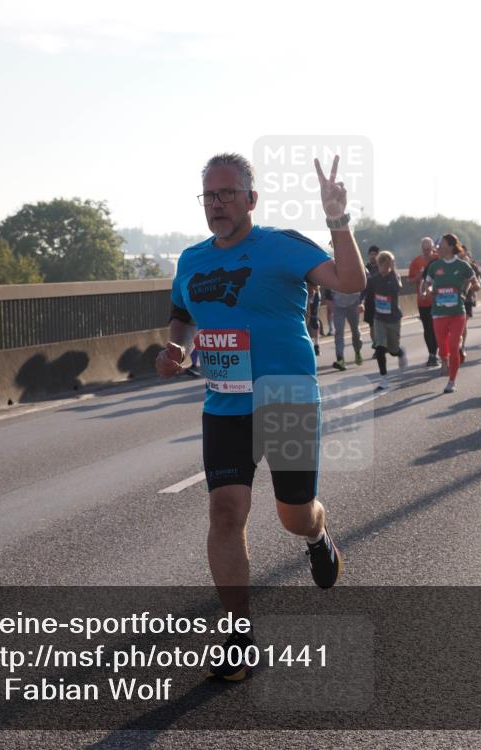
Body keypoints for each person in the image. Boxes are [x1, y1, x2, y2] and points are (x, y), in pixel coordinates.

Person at [155, 153, 366, 681]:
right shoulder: (191, 260)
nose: (217, 204)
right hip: (225, 404)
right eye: (209, 195)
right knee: (225, 513)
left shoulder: (282, 246)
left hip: (288, 399)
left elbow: (348, 281)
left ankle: (318, 535)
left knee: (294, 515)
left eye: (227, 193)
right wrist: (176, 349)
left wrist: (337, 219)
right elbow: (181, 314)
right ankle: (239, 636)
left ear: (251, 199)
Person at [423, 234, 476, 393]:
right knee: (442, 347)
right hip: (439, 313)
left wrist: (465, 291)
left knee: (453, 346)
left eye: (442, 243)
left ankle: (452, 381)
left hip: (457, 312)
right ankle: (444, 359)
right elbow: (427, 284)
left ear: (451, 246)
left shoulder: (463, 265)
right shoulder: (434, 266)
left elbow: (473, 282)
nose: (438, 246)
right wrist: (428, 291)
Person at [365, 250, 407, 390]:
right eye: (381, 264)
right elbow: (366, 294)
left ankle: (400, 353)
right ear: (378, 264)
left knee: (393, 350)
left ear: (390, 265)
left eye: (387, 264)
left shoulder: (395, 277)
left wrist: (392, 270)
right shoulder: (373, 280)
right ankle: (383, 378)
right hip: (379, 318)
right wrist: (360, 303)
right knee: (380, 347)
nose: (384, 267)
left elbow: (396, 288)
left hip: (393, 318)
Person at [408, 237, 440, 366]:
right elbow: (409, 281)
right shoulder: (416, 262)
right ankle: (432, 354)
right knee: (427, 329)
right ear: (421, 248)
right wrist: (417, 277)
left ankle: (438, 352)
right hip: (423, 301)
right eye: (424, 249)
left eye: (429, 248)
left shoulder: (438, 259)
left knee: (436, 328)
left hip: (438, 301)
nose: (426, 251)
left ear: (433, 248)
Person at [330, 285, 364, 370]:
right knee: (339, 332)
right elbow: (328, 284)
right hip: (338, 305)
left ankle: (357, 350)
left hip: (354, 303)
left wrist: (361, 302)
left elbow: (363, 284)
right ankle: (340, 359)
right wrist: (329, 300)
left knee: (355, 330)